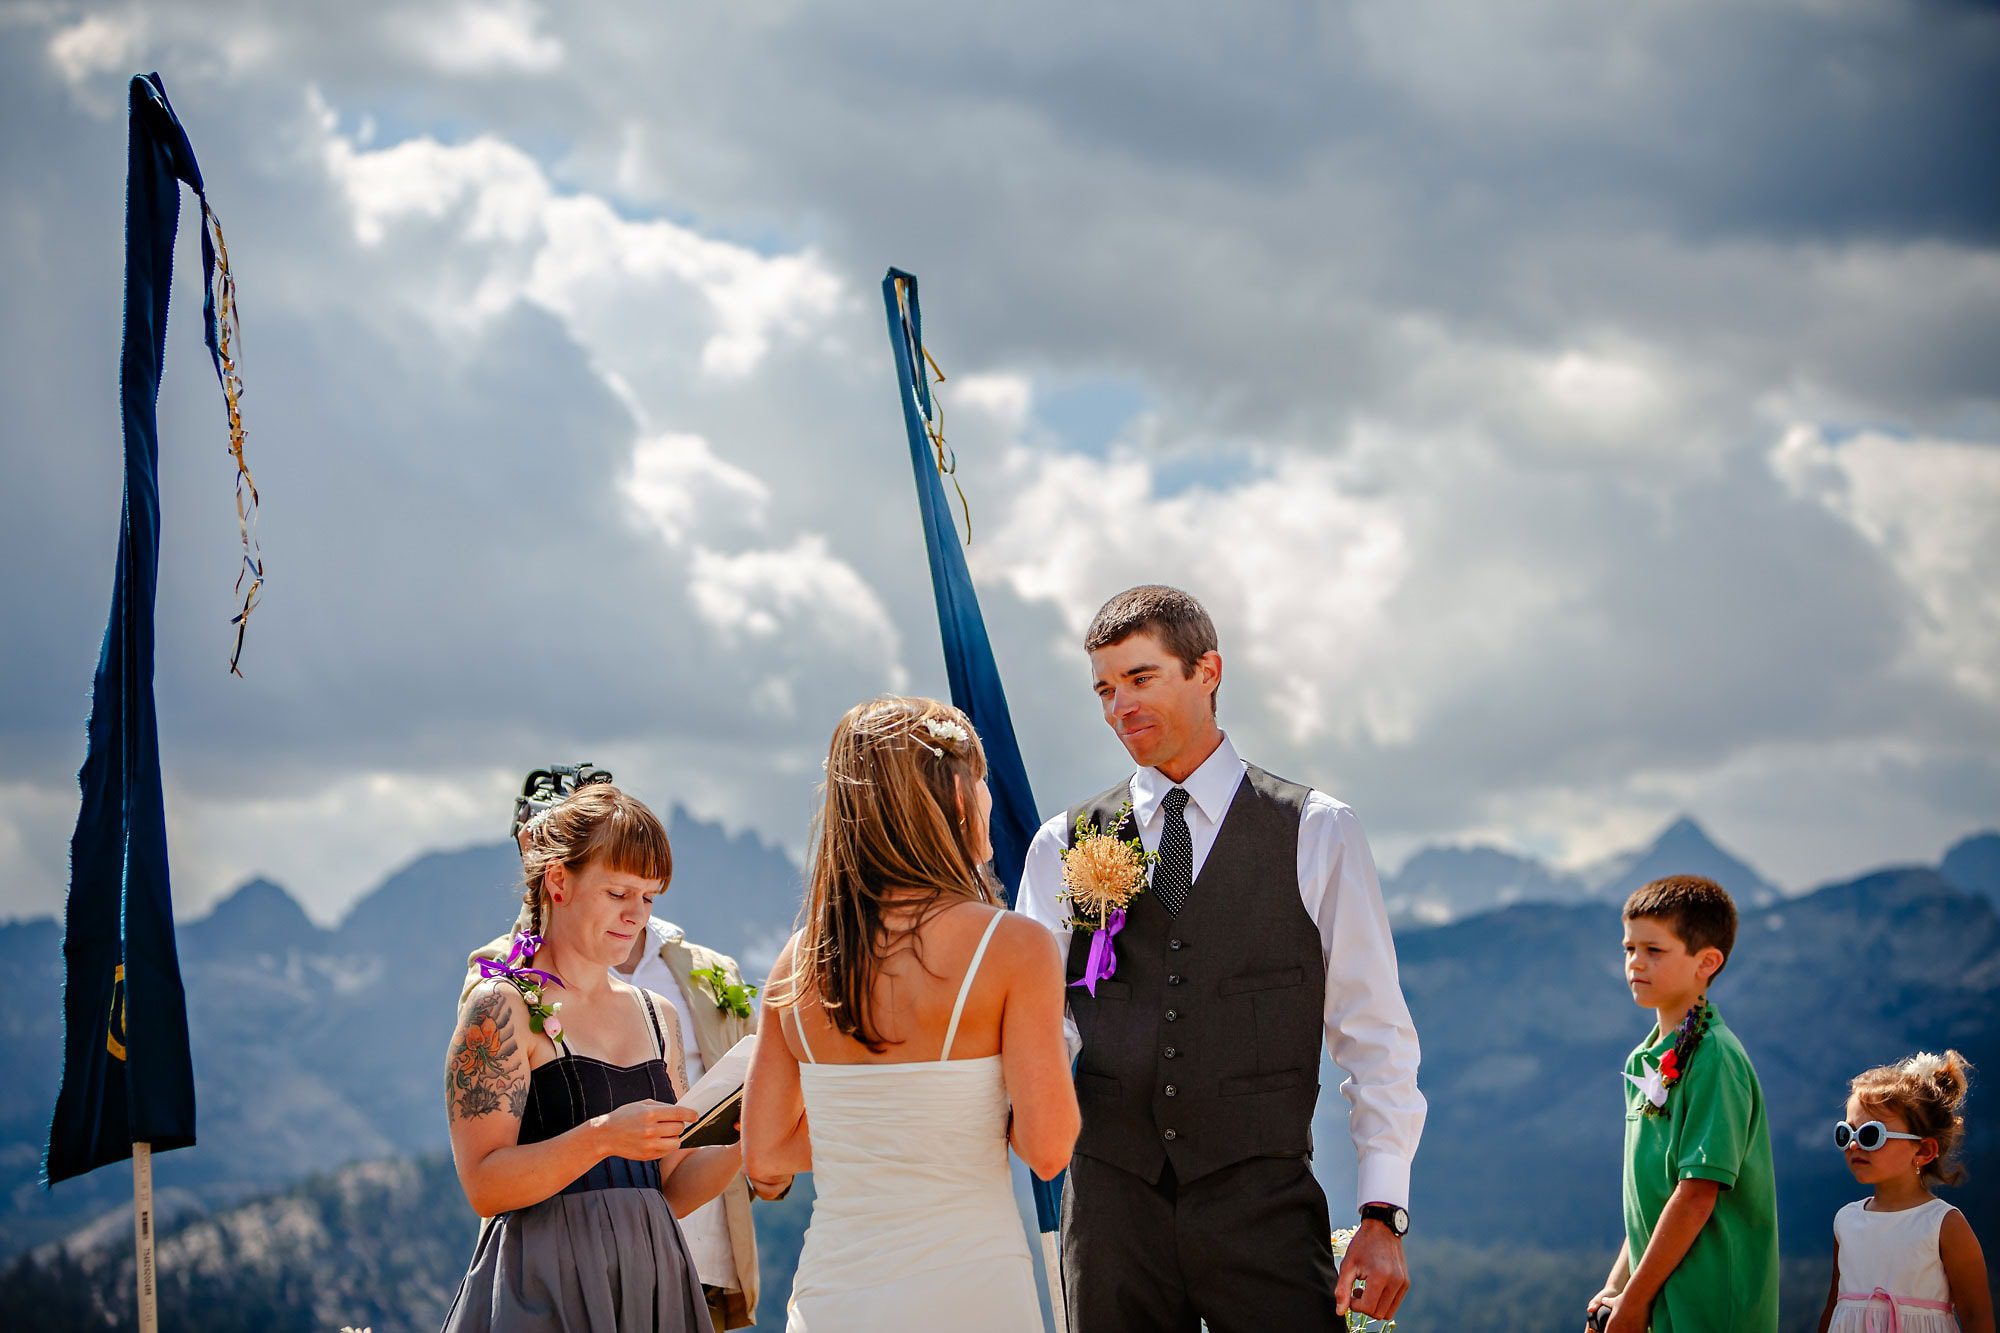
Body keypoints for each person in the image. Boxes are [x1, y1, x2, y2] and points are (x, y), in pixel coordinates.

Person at [1014, 584, 1426, 1331]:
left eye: (1141, 678)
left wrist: (1382, 1210)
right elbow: (1039, 1028)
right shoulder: (1061, 845)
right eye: (1104, 689)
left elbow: (1375, 1032)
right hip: (1110, 1212)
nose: (1119, 707)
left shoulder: (1318, 831)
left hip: (1262, 1208)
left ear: (1209, 670)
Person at [742, 696, 1079, 1332]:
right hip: (972, 1291)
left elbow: (763, 1155)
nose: (986, 798)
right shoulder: (1015, 948)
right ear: (954, 798)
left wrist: (872, 1132)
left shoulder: (800, 958)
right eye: (980, 781)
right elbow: (1048, 1148)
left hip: (833, 1297)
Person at [440, 783, 744, 1333]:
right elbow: (484, 1186)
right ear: (558, 880)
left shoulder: (660, 1018)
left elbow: (671, 1190)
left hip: (655, 1284)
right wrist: (603, 1136)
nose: (637, 916)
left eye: (648, 898)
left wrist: (744, 1140)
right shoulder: (501, 1007)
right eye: (618, 893)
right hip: (546, 1288)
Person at [1588, 875, 1778, 1333]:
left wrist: (1634, 1302)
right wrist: (1618, 1287)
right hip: (1658, 1299)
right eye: (1629, 948)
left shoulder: (1714, 1055)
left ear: (1706, 962)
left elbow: (1696, 1194)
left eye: (1654, 951)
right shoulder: (1643, 1059)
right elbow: (1651, 1200)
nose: (1635, 962)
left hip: (1710, 1303)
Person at [1816, 1050, 1991, 1333]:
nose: (1853, 1145)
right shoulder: (1845, 1221)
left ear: (1923, 1150)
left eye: (1870, 1135)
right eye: (1845, 1133)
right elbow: (1834, 1305)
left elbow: (1977, 1317)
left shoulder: (1944, 1225)